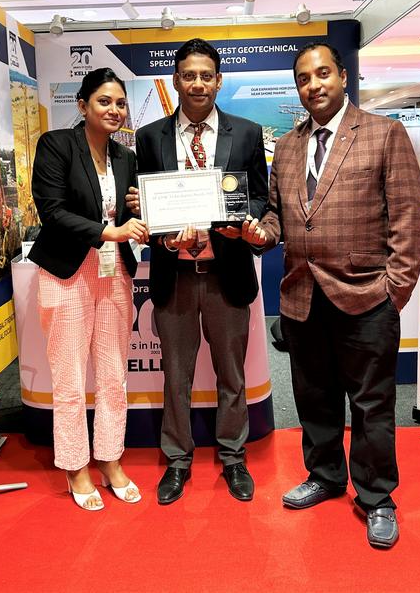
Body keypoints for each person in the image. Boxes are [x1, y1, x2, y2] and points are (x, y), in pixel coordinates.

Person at [244, 42, 420, 547]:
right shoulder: (285, 146)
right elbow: (280, 215)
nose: (314, 85)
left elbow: (409, 219)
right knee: (314, 397)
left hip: (367, 295)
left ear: (342, 77)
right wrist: (262, 232)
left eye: (323, 73)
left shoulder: (385, 134)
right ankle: (325, 475)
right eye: (304, 78)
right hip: (302, 295)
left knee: (372, 403)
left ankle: (376, 497)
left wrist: (396, 290)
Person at [127, 38, 268, 504]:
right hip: (176, 276)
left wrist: (242, 226)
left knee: (232, 374)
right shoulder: (149, 138)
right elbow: (145, 212)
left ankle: (232, 457)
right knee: (176, 377)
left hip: (227, 274)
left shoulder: (246, 133)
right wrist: (164, 236)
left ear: (219, 80)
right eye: (189, 75)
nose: (198, 83)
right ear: (176, 81)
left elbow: (261, 199)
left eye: (206, 75)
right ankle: (177, 462)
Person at [29, 67, 149, 511]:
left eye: (120, 102)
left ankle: (111, 459)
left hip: (113, 273)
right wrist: (109, 231)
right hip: (66, 272)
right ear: (83, 105)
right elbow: (52, 211)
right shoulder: (57, 145)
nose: (114, 110)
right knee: (70, 378)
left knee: (114, 374)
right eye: (104, 101)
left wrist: (139, 210)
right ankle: (76, 466)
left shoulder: (125, 157)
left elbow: (128, 209)